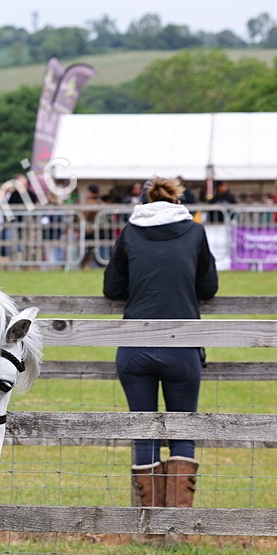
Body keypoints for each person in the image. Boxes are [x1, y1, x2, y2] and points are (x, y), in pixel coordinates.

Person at [104, 177, 218, 509]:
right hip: (182, 345)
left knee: (144, 432)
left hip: (135, 345)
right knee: (183, 430)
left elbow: (112, 288)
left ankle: (148, 525)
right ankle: (177, 526)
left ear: (144, 201)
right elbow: (208, 287)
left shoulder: (129, 231)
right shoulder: (195, 232)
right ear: (178, 200)